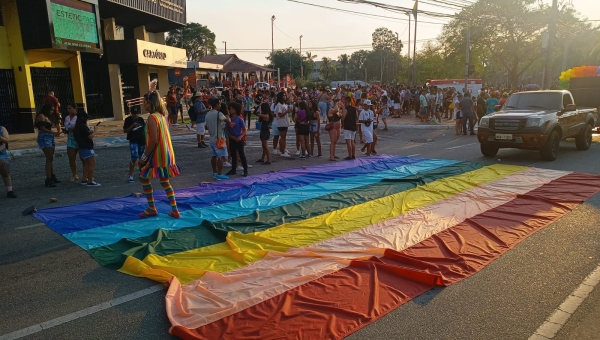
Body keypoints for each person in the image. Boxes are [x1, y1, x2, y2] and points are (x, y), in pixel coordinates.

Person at [137, 90, 181, 218]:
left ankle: (152, 207)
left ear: (150, 103)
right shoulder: (162, 116)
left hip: (156, 155)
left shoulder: (152, 117)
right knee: (164, 181)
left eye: (145, 102)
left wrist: (144, 157)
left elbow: (154, 140)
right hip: (166, 154)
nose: (143, 105)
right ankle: (174, 209)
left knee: (143, 176)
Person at [36, 104, 61, 187]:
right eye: (51, 110)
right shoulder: (41, 116)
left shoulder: (47, 116)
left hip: (49, 137)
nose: (52, 112)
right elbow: (42, 128)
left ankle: (52, 175)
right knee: (49, 158)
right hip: (44, 137)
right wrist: (53, 133)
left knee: (51, 158)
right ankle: (48, 178)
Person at [74, 112, 100, 187]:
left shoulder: (77, 127)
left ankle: (84, 179)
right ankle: (90, 180)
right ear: (83, 118)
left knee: (87, 164)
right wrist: (95, 131)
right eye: (86, 118)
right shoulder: (82, 127)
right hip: (86, 147)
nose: (87, 120)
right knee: (92, 163)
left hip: (82, 147)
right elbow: (90, 137)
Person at [123, 105, 146, 182]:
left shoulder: (141, 119)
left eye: (136, 113)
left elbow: (144, 129)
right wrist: (132, 126)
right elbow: (125, 130)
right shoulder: (128, 120)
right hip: (133, 140)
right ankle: (131, 175)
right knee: (134, 157)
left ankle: (141, 172)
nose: (135, 115)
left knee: (141, 157)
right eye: (133, 113)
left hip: (141, 140)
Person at [226, 102, 248, 177]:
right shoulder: (229, 119)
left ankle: (245, 170)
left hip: (239, 139)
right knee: (233, 155)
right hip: (232, 138)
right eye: (230, 109)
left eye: (232, 109)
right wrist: (230, 136)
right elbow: (227, 129)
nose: (231, 111)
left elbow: (245, 129)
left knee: (241, 155)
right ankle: (233, 169)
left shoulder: (239, 119)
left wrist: (240, 137)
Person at [63, 104, 81, 182]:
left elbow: (82, 127)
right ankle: (74, 174)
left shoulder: (79, 117)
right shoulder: (67, 118)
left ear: (75, 109)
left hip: (79, 138)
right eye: (67, 108)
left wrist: (73, 129)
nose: (68, 110)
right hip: (70, 138)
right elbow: (66, 127)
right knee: (71, 157)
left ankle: (87, 174)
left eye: (70, 108)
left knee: (83, 157)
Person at [0, 125, 16, 198]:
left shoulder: (2, 128)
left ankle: (9, 191)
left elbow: (7, 141)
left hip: (2, 154)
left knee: (5, 172)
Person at [274, 91, 291, 158]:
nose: (285, 96)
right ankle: (282, 151)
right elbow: (280, 114)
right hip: (281, 123)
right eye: (283, 95)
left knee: (284, 137)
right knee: (282, 137)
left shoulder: (284, 104)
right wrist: (287, 111)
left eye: (285, 95)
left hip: (285, 122)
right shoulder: (279, 105)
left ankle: (283, 149)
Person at [342, 96, 358, 160]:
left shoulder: (346, 109)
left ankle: (350, 155)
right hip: (353, 126)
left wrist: (342, 121)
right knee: (352, 141)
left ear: (346, 101)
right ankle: (353, 155)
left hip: (347, 126)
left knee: (348, 142)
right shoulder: (354, 109)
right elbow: (356, 117)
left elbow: (343, 118)